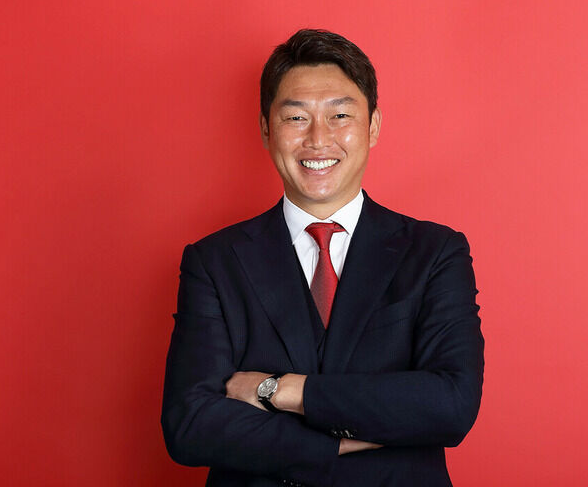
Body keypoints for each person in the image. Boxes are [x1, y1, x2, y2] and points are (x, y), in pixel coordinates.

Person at [161, 29, 484, 487]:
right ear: (266, 128)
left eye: (340, 115)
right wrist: (330, 446)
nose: (318, 139)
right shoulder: (214, 262)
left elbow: (450, 404)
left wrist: (281, 390)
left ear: (373, 126)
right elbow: (190, 424)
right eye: (296, 117)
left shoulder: (435, 253)